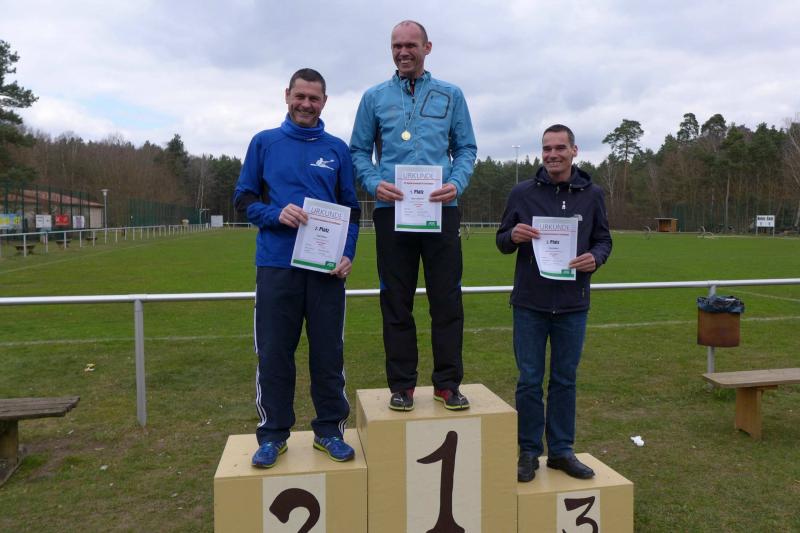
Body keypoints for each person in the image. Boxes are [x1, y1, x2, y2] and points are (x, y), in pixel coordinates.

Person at [233, 68, 361, 468]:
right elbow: (243, 199)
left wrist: (347, 254)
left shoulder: (337, 149)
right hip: (276, 266)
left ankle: (329, 431)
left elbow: (352, 210)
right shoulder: (264, 142)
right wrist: (275, 214)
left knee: (328, 354)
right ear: (287, 95)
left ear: (325, 102)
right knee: (274, 354)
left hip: (325, 271)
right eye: (300, 96)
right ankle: (273, 435)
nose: (306, 104)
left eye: (314, 98)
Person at [350, 20, 477, 411]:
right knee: (396, 301)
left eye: (410, 45)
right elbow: (358, 152)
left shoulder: (451, 94)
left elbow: (466, 148)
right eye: (396, 46)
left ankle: (447, 384)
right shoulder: (373, 97)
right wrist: (374, 183)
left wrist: (456, 183)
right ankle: (402, 385)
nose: (403, 52)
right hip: (392, 212)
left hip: (441, 210)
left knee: (447, 300)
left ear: (427, 47)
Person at [496, 124, 612, 481]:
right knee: (529, 381)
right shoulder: (522, 193)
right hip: (530, 304)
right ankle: (529, 452)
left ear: (574, 151)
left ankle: (561, 451)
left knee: (564, 380)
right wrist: (513, 235)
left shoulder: (592, 194)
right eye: (547, 148)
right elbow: (501, 240)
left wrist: (595, 257)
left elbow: (604, 240)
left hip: (572, 305)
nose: (552, 154)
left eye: (560, 147)